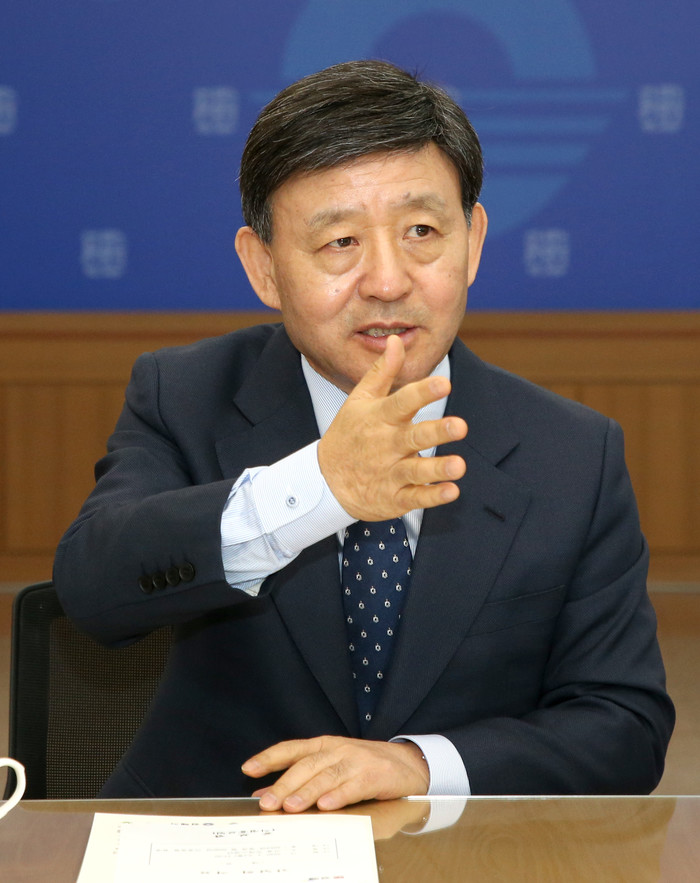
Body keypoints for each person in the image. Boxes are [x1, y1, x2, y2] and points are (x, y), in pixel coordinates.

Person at [53, 60, 674, 812]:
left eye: (421, 232)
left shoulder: (573, 453)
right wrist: (320, 488)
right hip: (224, 834)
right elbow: (92, 589)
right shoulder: (184, 395)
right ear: (264, 267)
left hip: (466, 850)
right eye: (340, 241)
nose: (387, 280)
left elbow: (624, 726)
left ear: (474, 242)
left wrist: (418, 765)